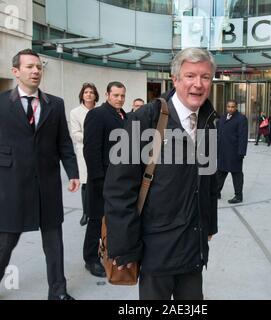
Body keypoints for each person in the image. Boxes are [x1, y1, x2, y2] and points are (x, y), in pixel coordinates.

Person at [103, 47, 218, 300]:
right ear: (175, 78)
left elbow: (209, 181)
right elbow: (118, 187)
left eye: (205, 77)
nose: (198, 84)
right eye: (190, 76)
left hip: (193, 247)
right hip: (156, 249)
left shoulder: (208, 120)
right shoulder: (144, 118)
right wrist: (123, 246)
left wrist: (209, 224)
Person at [0, 49, 80, 300]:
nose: (36, 71)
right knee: (5, 242)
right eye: (29, 67)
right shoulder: (2, 103)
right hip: (12, 184)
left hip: (47, 185)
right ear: (16, 71)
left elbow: (64, 143)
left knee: (54, 242)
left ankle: (58, 291)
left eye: (39, 67)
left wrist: (73, 172)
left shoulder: (54, 104)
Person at [83, 81, 127, 277]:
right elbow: (90, 150)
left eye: (122, 96)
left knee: (114, 219)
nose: (119, 99)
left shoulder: (124, 116)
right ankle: (91, 259)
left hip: (120, 179)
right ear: (108, 95)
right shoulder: (97, 115)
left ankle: (112, 252)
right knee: (96, 220)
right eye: (116, 95)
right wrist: (98, 179)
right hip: (102, 180)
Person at [70, 83, 99, 226]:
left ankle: (97, 211)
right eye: (86, 92)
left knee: (98, 182)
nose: (88, 94)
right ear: (82, 95)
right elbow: (75, 134)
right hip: (84, 150)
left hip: (100, 151)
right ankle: (86, 213)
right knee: (86, 183)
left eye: (91, 92)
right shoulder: (75, 112)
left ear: (95, 96)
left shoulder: (100, 111)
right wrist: (91, 137)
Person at [216, 100, 248, 204]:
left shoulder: (241, 119)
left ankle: (238, 196)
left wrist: (241, 153)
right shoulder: (222, 117)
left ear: (236, 107)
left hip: (235, 152)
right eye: (229, 106)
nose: (230, 109)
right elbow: (219, 134)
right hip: (223, 151)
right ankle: (216, 192)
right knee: (220, 172)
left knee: (237, 174)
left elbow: (243, 137)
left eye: (232, 107)